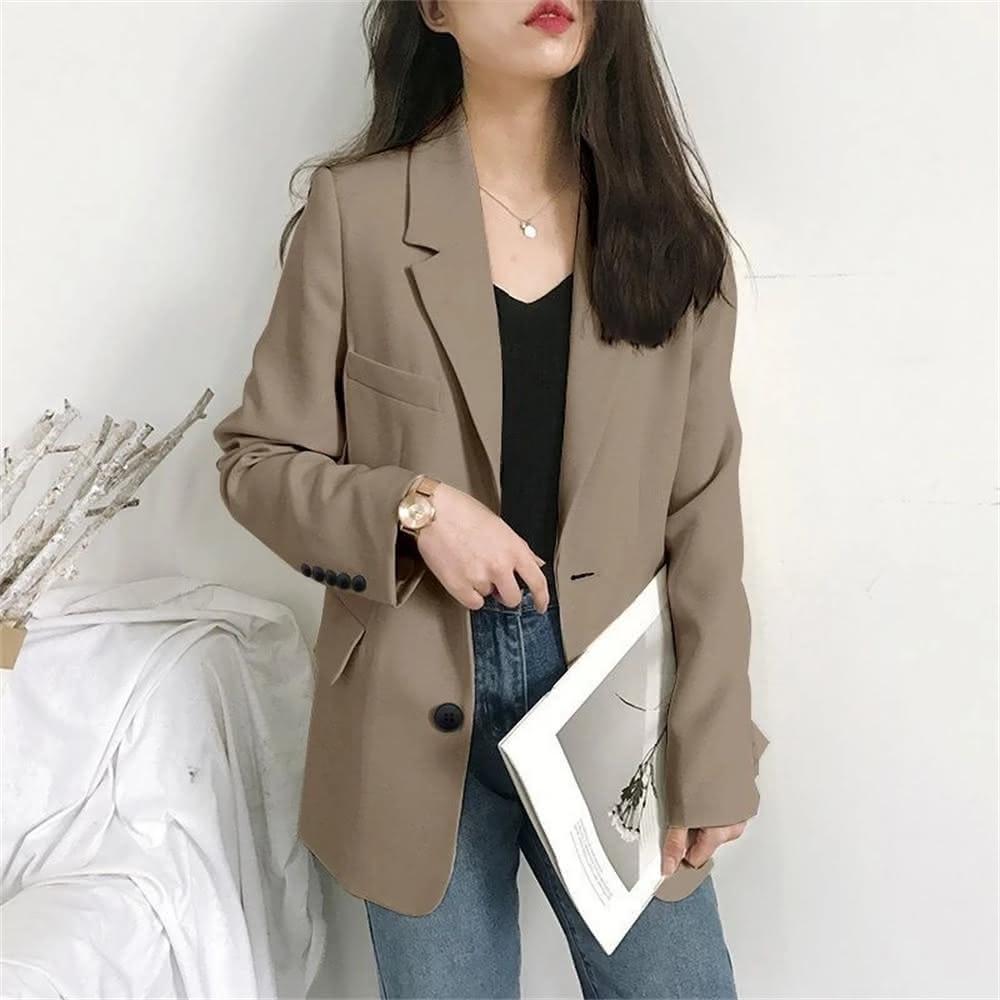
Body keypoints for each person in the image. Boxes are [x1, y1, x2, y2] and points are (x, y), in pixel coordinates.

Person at [212, 0, 769, 996]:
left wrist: (716, 738)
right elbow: (256, 462)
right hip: (411, 696)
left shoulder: (669, 235)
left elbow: (702, 515)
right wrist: (417, 508)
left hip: (613, 703)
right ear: (435, 9)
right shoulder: (358, 213)